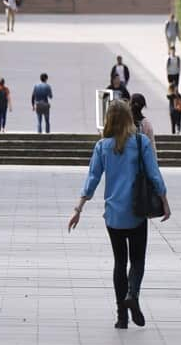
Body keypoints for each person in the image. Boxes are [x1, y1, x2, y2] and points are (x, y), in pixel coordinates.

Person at [68, 100, 171, 330]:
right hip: (136, 212)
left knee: (119, 262)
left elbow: (92, 179)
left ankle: (121, 316)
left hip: (113, 214)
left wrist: (78, 209)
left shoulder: (102, 146)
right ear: (128, 118)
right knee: (137, 260)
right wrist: (164, 200)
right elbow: (154, 174)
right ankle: (132, 295)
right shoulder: (140, 141)